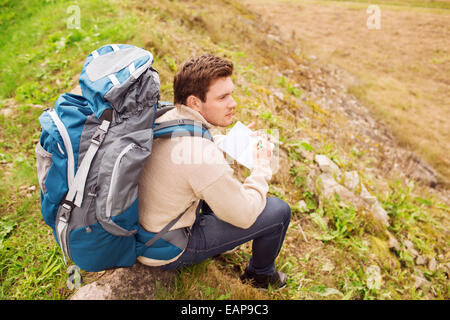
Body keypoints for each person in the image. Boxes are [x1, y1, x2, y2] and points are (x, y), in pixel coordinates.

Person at [138, 54, 291, 290]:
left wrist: (231, 143)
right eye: (222, 98)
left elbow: (184, 154)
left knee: (218, 192)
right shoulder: (201, 156)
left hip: (142, 229)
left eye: (231, 94)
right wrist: (262, 167)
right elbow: (245, 215)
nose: (233, 104)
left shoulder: (166, 114)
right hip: (165, 248)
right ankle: (260, 276)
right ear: (195, 103)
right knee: (278, 211)